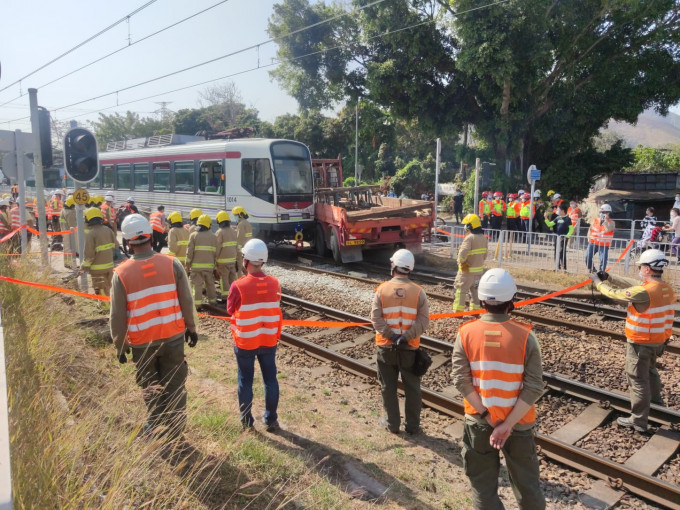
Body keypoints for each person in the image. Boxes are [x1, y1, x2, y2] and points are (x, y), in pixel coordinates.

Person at [452, 268, 546, 510]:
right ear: (512, 300)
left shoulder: (465, 334)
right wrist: (507, 424)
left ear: (481, 300)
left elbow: (461, 381)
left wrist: (488, 416)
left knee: (482, 487)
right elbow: (534, 386)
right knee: (528, 487)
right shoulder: (526, 337)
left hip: (479, 422)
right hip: (519, 423)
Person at [110, 214, 198, 440]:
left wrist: (120, 345)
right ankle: (176, 430)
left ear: (127, 242)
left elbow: (117, 316)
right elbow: (186, 300)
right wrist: (191, 328)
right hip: (173, 338)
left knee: (150, 386)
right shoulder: (171, 263)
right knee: (175, 384)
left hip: (142, 344)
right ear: (150, 236)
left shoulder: (121, 273)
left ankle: (156, 426)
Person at [590, 250, 676, 433]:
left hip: (640, 343)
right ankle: (657, 407)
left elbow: (615, 294)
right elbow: (635, 284)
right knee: (651, 372)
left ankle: (638, 421)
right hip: (658, 341)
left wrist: (599, 283)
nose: (639, 270)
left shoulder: (644, 292)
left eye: (640, 267)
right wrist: (609, 276)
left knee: (637, 379)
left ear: (646, 268)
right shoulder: (666, 288)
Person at [370, 249, 429, 435]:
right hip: (409, 348)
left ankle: (392, 424)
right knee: (412, 387)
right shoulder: (419, 293)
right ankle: (413, 426)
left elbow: (376, 318)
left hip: (386, 347)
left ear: (394, 266)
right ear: (409, 269)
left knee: (388, 387)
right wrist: (406, 337)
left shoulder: (381, 290)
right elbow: (423, 321)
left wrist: (392, 335)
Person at [227, 238, 282, 431]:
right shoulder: (275, 283)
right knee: (270, 379)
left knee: (245, 380)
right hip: (268, 339)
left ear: (246, 260)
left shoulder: (238, 285)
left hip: (245, 341)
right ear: (263, 261)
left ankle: (247, 421)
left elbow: (230, 309)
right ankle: (271, 419)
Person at [80, 207, 119, 299]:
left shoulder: (91, 233)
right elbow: (116, 246)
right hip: (109, 266)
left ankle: (104, 309)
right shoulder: (108, 230)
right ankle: (109, 306)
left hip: (97, 269)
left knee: (100, 290)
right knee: (109, 289)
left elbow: (89, 255)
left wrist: (83, 267)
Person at [453, 214, 488, 312]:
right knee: (475, 292)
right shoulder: (483, 237)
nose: (465, 227)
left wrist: (460, 261)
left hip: (466, 273)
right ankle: (475, 311)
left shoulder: (469, 238)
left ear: (470, 226)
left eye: (466, 225)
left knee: (461, 291)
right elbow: (485, 255)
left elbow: (462, 254)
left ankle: (458, 312)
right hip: (478, 273)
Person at [186, 214, 218, 306]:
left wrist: (187, 264)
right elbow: (216, 253)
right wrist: (214, 266)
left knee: (197, 286)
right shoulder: (213, 236)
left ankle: (197, 305)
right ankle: (213, 301)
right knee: (210, 284)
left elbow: (189, 251)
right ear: (209, 225)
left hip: (196, 267)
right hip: (209, 267)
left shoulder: (193, 235)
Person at [215, 210, 239, 301]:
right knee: (232, 278)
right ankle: (234, 296)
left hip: (222, 261)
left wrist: (215, 260)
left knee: (224, 279)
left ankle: (225, 297)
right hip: (232, 260)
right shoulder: (233, 231)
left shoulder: (219, 232)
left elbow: (217, 248)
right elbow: (236, 246)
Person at [585, 203, 615, 272]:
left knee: (603, 260)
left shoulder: (612, 222)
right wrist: (588, 238)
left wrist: (605, 221)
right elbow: (590, 230)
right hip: (593, 243)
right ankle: (592, 269)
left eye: (605, 212)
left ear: (609, 213)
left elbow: (608, 229)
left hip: (604, 245)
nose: (603, 214)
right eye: (602, 212)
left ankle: (601, 273)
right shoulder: (595, 221)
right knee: (587, 256)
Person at [545, 202, 573, 270]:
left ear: (563, 211)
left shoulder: (567, 219)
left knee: (561, 251)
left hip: (563, 237)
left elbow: (571, 229)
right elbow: (550, 224)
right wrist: (546, 218)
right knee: (556, 251)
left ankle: (564, 266)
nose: (557, 211)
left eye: (559, 209)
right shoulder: (558, 218)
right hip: (557, 237)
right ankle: (557, 266)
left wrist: (567, 236)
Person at [233, 206, 252, 275]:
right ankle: (248, 275)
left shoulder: (241, 224)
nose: (235, 217)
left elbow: (239, 238)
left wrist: (237, 249)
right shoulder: (247, 222)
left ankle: (240, 279)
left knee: (239, 265)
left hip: (241, 247)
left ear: (240, 214)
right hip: (248, 246)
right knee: (247, 264)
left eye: (235, 215)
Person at [60, 196, 77, 268]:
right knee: (71, 249)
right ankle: (71, 264)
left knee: (66, 248)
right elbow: (72, 225)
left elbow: (61, 221)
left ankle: (66, 263)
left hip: (64, 231)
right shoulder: (71, 212)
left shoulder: (63, 210)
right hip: (70, 233)